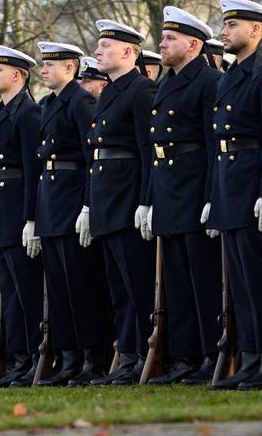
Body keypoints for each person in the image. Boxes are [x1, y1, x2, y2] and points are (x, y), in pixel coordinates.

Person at [206, 0, 262, 389]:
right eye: (225, 26)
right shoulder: (230, 76)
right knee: (241, 282)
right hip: (231, 185)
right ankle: (250, 358)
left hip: (255, 184)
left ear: (256, 31)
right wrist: (213, 195)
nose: (224, 32)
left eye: (232, 26)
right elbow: (218, 142)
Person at [145, 6, 222, 385]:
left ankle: (210, 353)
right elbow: (154, 147)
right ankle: (185, 357)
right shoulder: (166, 83)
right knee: (175, 280)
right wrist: (150, 198)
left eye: (170, 38)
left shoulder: (208, 81)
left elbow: (212, 144)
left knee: (202, 278)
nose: (162, 43)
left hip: (193, 188)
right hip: (168, 190)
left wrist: (211, 195)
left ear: (194, 44)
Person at [81, 19, 156, 386]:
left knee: (136, 282)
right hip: (107, 200)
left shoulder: (141, 90)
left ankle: (145, 353)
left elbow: (146, 150)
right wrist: (89, 205)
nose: (97, 52)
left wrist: (146, 200)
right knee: (119, 286)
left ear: (128, 52)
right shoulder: (110, 92)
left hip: (127, 201)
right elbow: (95, 155)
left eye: (105, 47)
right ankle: (127, 354)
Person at [32, 41, 112, 386]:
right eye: (43, 64)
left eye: (51, 64)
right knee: (60, 291)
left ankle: (92, 358)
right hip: (51, 202)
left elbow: (91, 156)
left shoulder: (81, 102)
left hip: (71, 199)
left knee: (81, 286)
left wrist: (87, 204)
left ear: (70, 68)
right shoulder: (50, 103)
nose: (44, 69)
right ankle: (68, 358)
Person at [0, 45, 44, 387]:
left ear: (18, 75)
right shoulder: (2, 113)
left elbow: (33, 170)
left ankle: (35, 356)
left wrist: (31, 218)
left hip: (18, 209)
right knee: (10, 291)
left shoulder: (27, 113)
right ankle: (18, 358)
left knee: (27, 290)